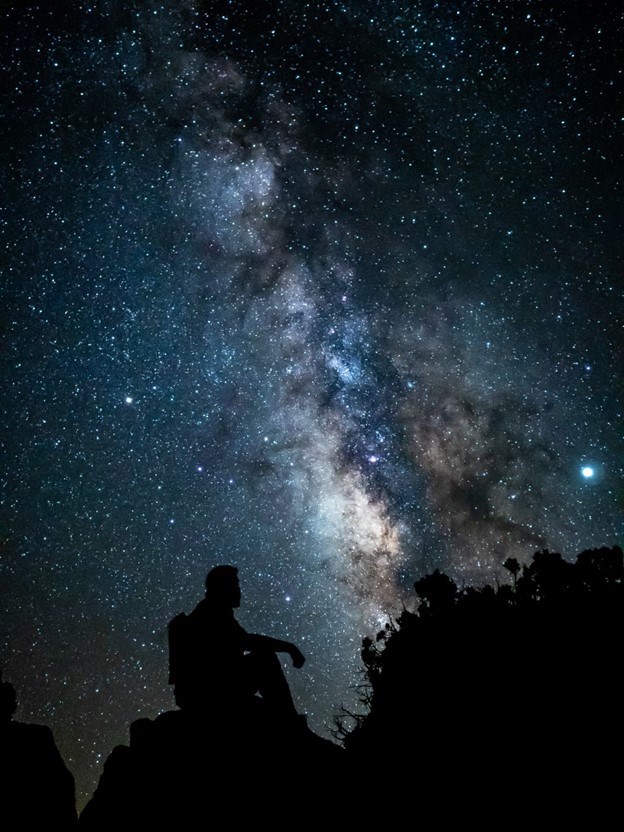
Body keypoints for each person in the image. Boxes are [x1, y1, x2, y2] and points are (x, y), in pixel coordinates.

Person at [169, 566, 305, 722]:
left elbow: (242, 640)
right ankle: (289, 719)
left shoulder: (215, 610)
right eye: (235, 584)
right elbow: (246, 641)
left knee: (263, 659)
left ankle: (285, 718)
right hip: (208, 691)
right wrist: (289, 648)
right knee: (265, 660)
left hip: (207, 688)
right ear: (223, 587)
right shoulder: (211, 612)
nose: (239, 590)